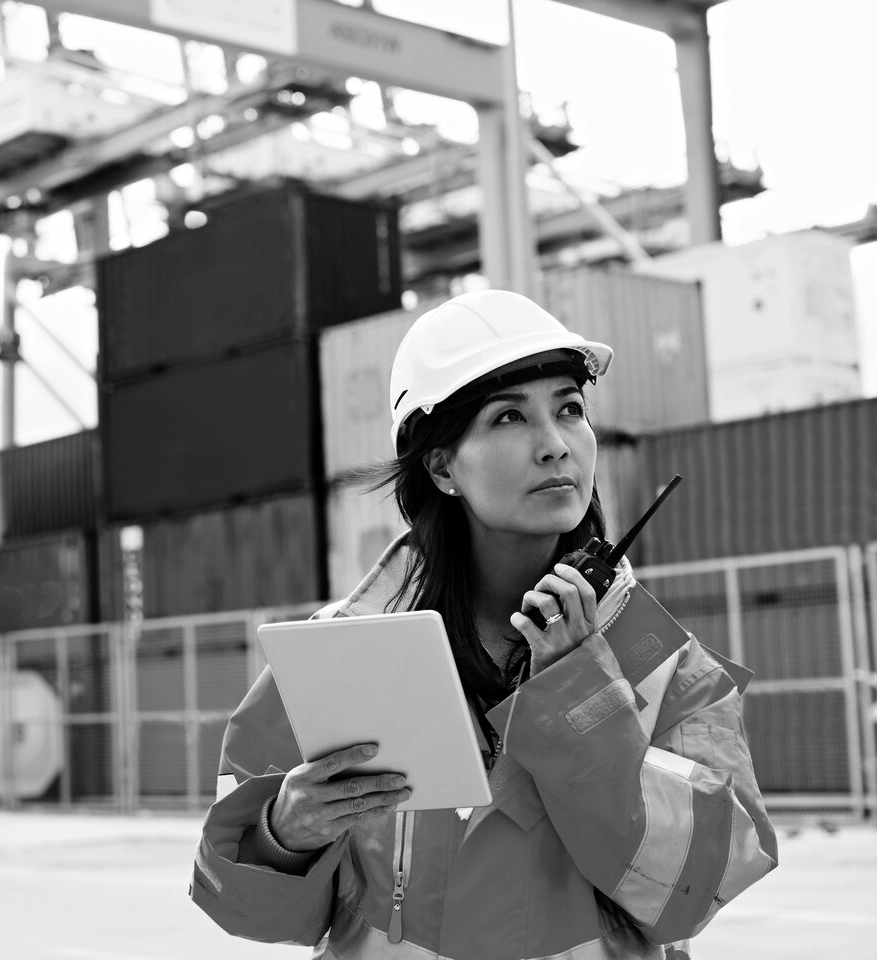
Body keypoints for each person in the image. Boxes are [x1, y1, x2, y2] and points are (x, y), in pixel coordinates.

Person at [190, 289, 778, 960]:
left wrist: (581, 689)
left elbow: (700, 890)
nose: (555, 446)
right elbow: (237, 903)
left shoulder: (668, 667)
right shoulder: (336, 655)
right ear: (442, 466)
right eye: (509, 417)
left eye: (570, 408)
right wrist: (283, 833)